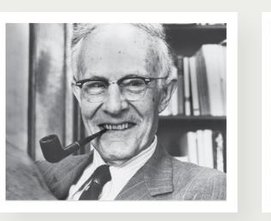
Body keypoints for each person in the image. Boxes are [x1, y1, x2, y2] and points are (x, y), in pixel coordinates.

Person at [35, 23, 225, 200]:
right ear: (78, 94)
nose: (114, 107)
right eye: (96, 85)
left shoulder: (211, 190)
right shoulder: (37, 175)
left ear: (165, 94)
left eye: (135, 83)